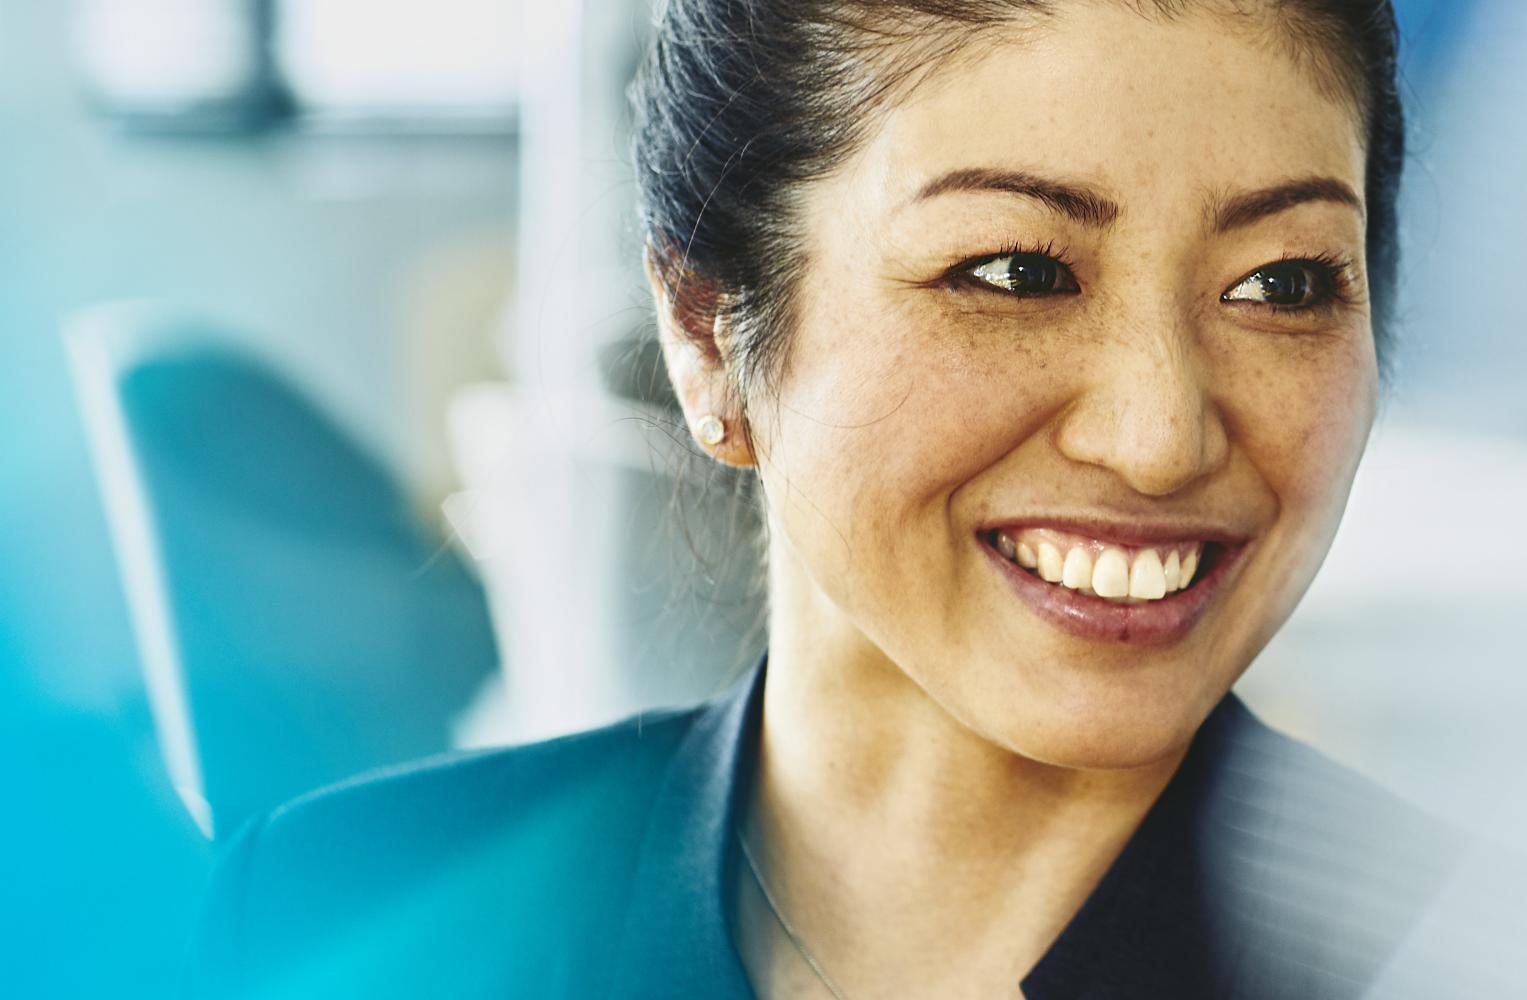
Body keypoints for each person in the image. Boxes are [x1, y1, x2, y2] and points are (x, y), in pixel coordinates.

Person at [193, 1, 1454, 996]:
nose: (1161, 435)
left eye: (1283, 285)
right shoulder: (339, 920)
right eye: (1015, 271)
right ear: (704, 333)